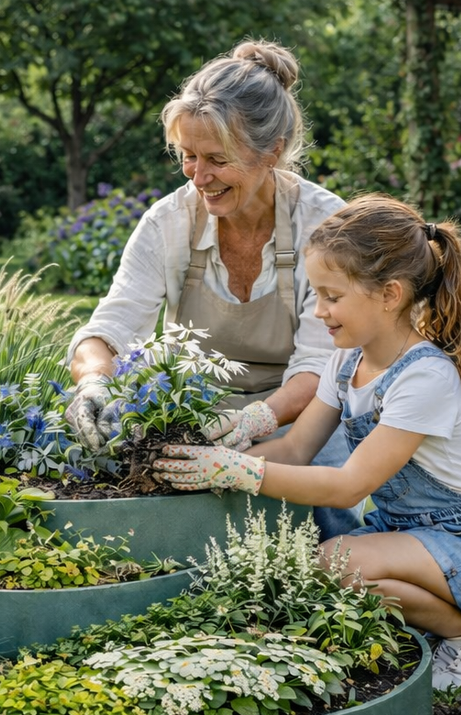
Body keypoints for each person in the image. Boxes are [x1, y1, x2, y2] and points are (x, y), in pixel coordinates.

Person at [151, 194, 461, 690]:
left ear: (390, 294)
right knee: (335, 566)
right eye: (316, 295)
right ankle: (438, 626)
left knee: (334, 562)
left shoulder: (424, 377)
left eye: (332, 296)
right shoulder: (346, 362)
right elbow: (293, 450)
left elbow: (349, 486)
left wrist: (237, 471)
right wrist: (232, 444)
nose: (321, 312)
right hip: (411, 537)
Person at [63, 38, 359, 538]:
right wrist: (94, 380)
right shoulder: (169, 223)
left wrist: (253, 422)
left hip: (303, 411)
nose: (199, 177)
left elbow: (321, 365)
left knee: (322, 534)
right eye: (187, 156)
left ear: (273, 152)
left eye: (216, 159)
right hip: (193, 408)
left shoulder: (324, 223)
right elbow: (111, 327)